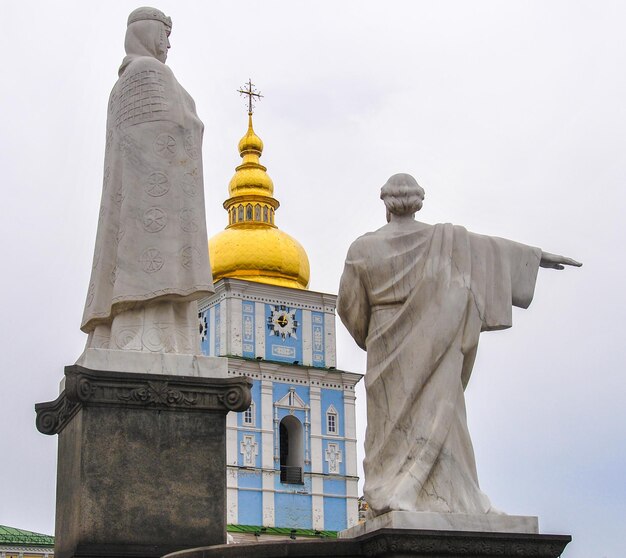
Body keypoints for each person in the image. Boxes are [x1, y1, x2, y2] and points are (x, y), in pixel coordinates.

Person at [337, 173, 581, 517]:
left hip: (385, 348)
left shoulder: (362, 249)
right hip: (439, 340)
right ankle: (459, 499)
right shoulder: (448, 240)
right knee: (445, 417)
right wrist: (536, 257)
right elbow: (491, 253)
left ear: (386, 206)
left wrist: (376, 336)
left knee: (393, 428)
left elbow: (349, 309)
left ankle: (414, 494)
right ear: (418, 202)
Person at [80, 7, 213, 354]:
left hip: (140, 200)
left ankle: (130, 333)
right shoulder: (149, 72)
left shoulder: (121, 84)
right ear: (149, 34)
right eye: (164, 36)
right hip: (157, 202)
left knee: (133, 268)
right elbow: (173, 126)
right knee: (154, 273)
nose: (168, 45)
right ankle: (156, 337)